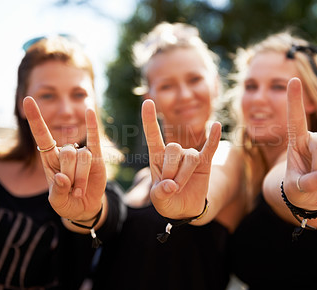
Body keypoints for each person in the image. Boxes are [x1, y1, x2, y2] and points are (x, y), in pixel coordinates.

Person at [143, 30, 317, 290]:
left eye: (278, 86)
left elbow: (281, 185)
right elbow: (215, 185)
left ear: (311, 100)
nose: (258, 98)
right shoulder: (243, 165)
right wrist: (191, 207)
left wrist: (301, 196)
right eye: (251, 86)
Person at [90, 22, 242, 290]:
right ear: (151, 97)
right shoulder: (142, 177)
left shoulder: (229, 158)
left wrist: (195, 207)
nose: (185, 95)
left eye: (195, 79)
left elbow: (211, 192)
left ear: (215, 84)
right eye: (168, 86)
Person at [0, 35, 124, 289]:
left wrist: (83, 213)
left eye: (79, 94)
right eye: (48, 95)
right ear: (21, 103)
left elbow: (98, 216)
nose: (66, 110)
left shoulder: (104, 192)